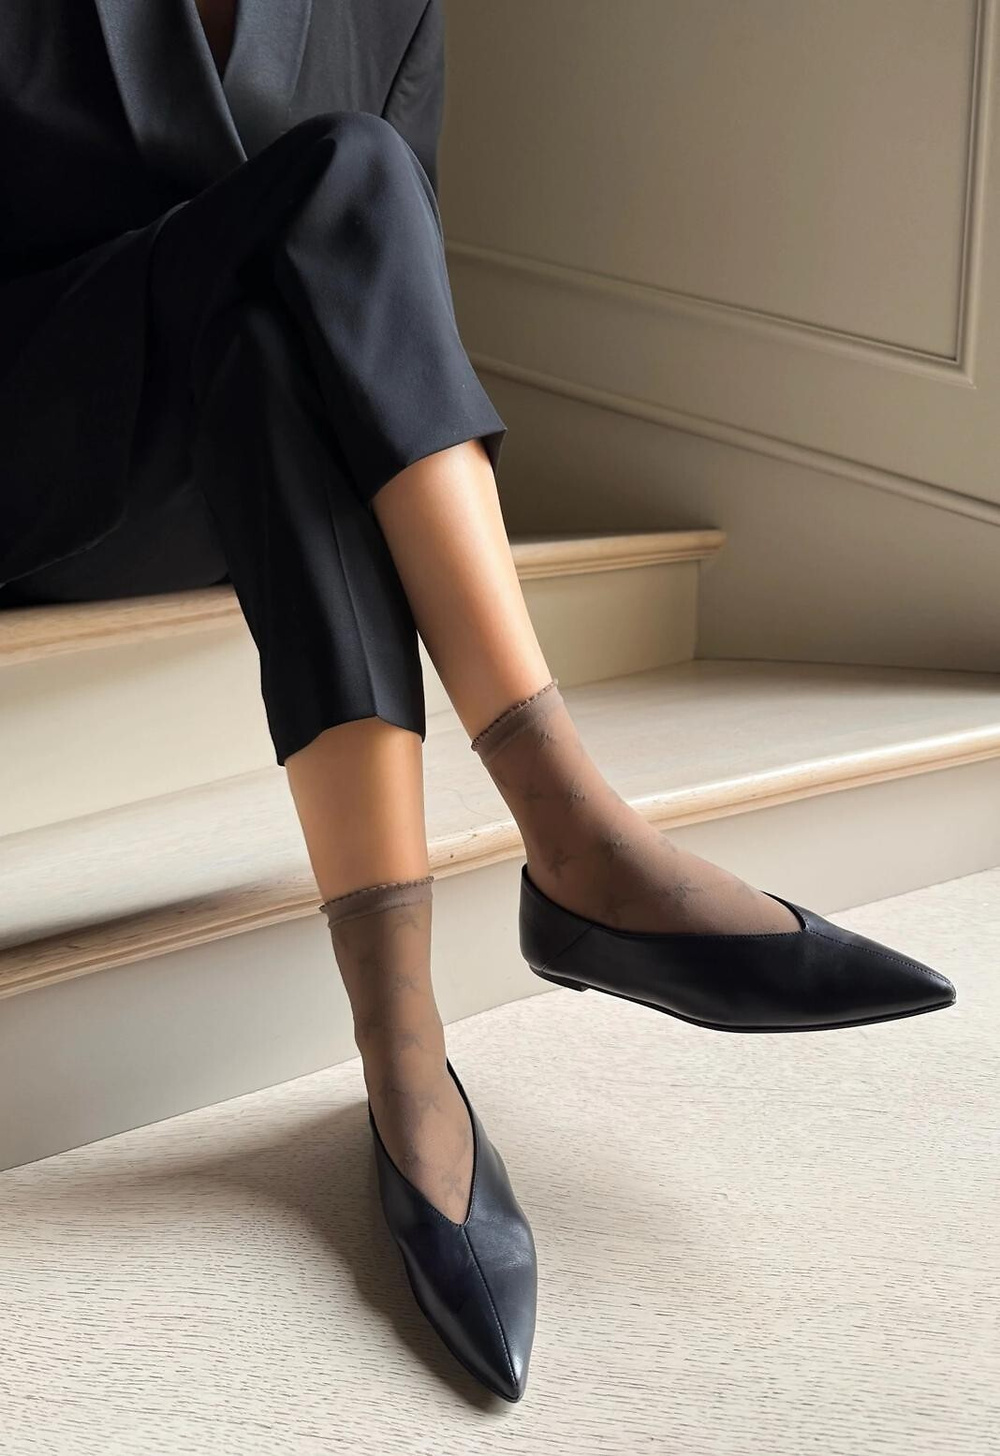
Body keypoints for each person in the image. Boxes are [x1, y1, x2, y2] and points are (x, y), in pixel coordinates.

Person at [0, 0, 956, 1403]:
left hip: (222, 469)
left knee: (293, 303)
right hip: (41, 447)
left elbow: (386, 319)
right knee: (343, 170)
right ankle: (573, 835)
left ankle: (402, 1043)